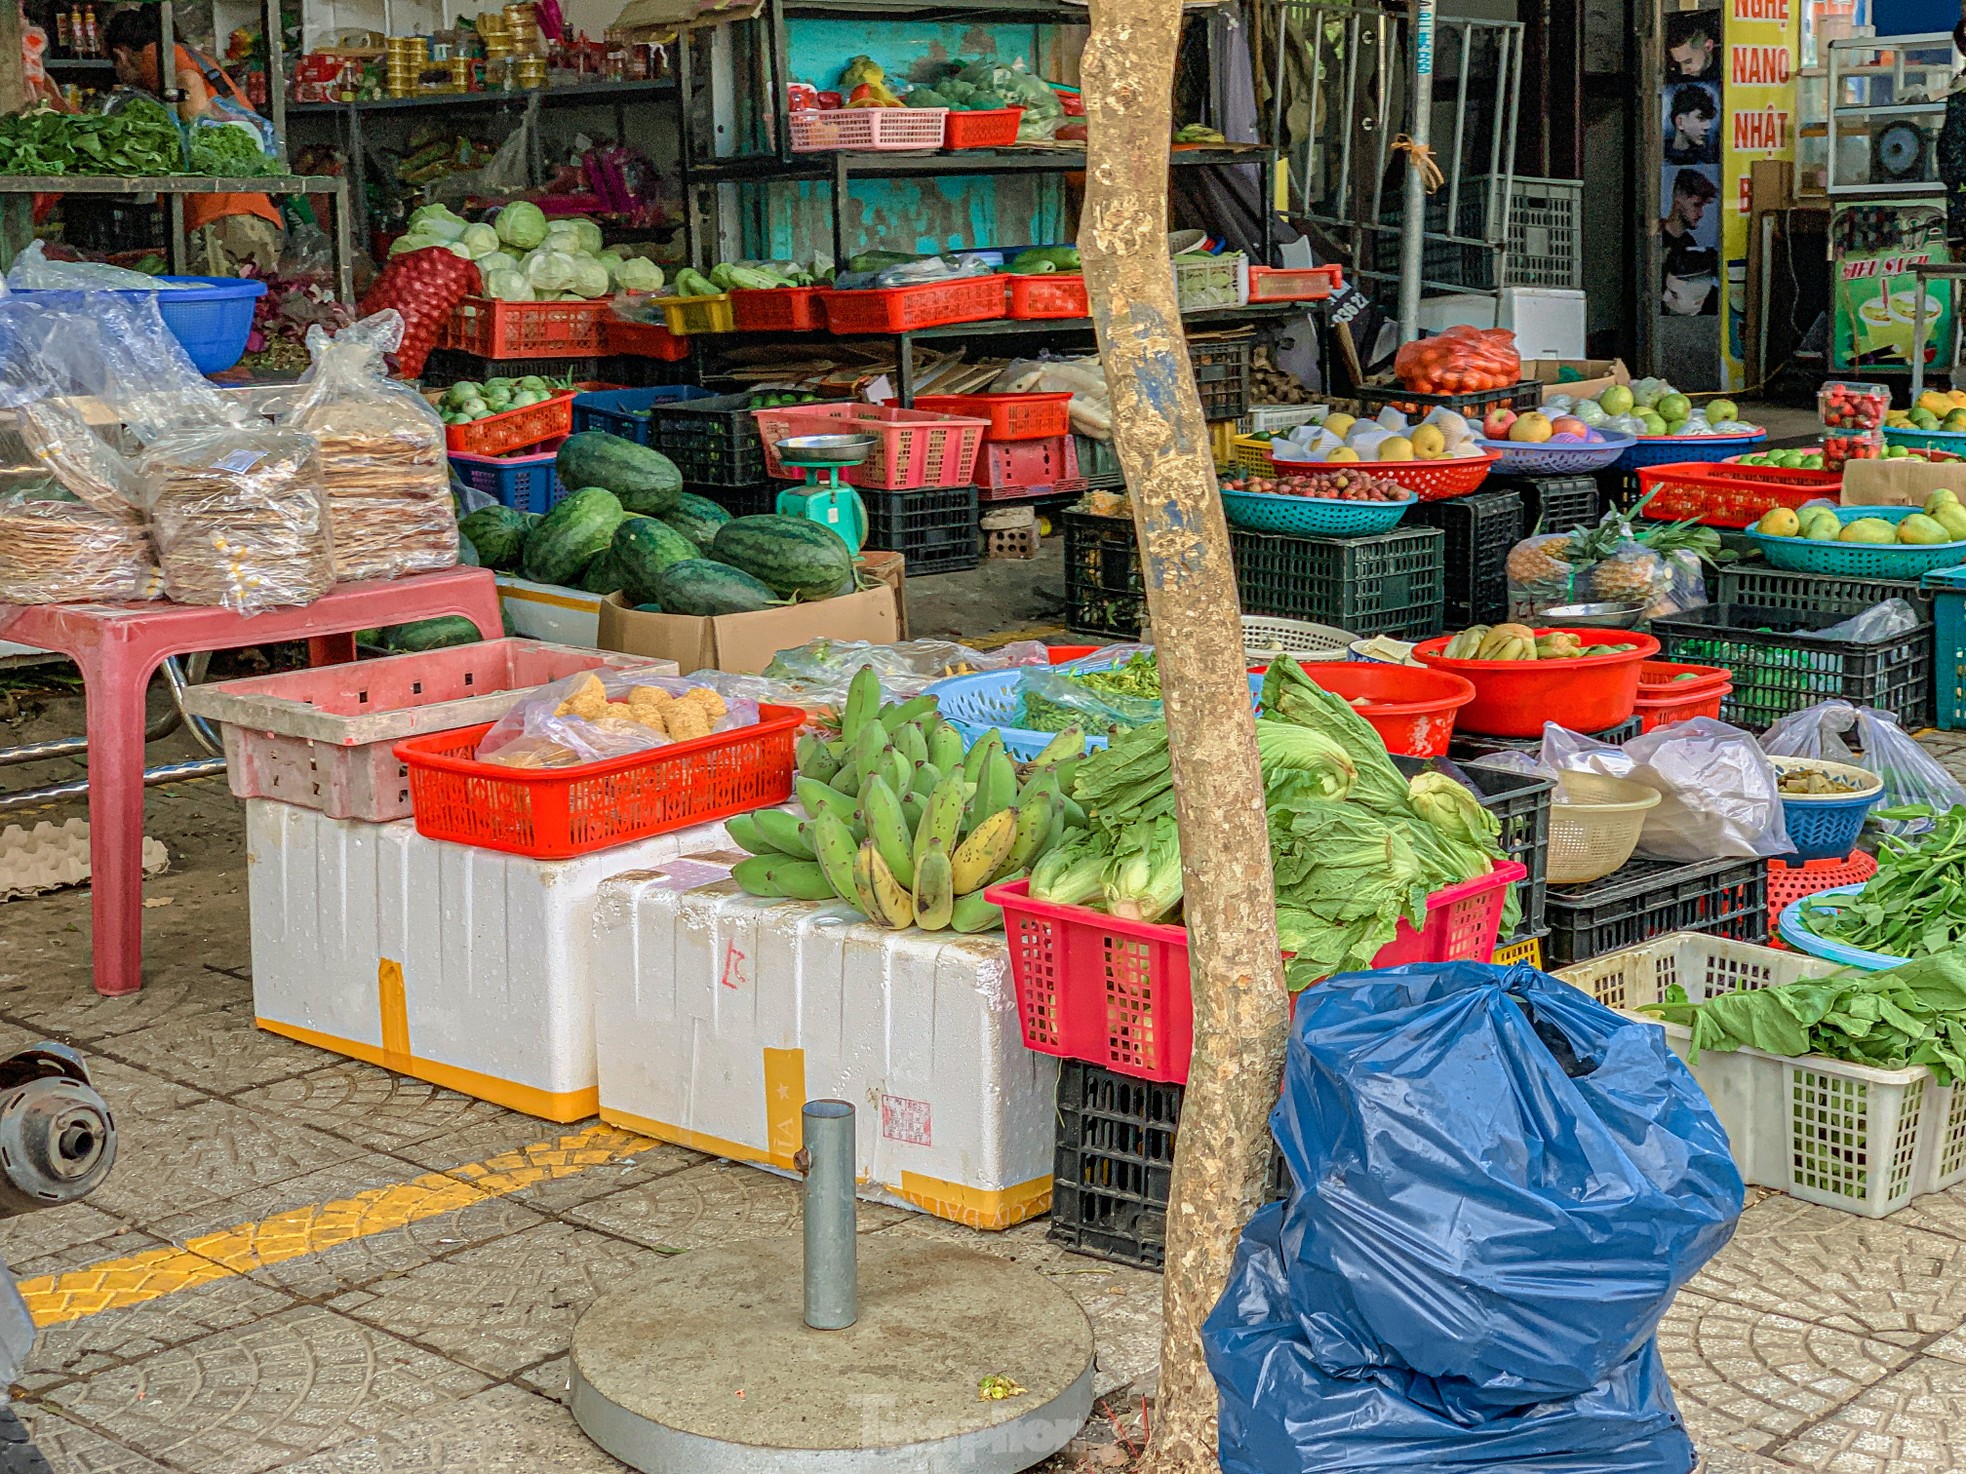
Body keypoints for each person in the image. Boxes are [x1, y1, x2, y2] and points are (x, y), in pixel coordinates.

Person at [104, 6, 282, 275]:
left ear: (121, 55)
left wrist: (191, 139)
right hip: (249, 210)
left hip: (224, 215)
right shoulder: (198, 59)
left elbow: (190, 87)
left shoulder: (159, 56)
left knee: (216, 307)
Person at [1664, 84, 1719, 165]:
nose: (1708, 126)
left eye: (1708, 119)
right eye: (1700, 118)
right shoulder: (1662, 157)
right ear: (1680, 122)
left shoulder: (1708, 159)